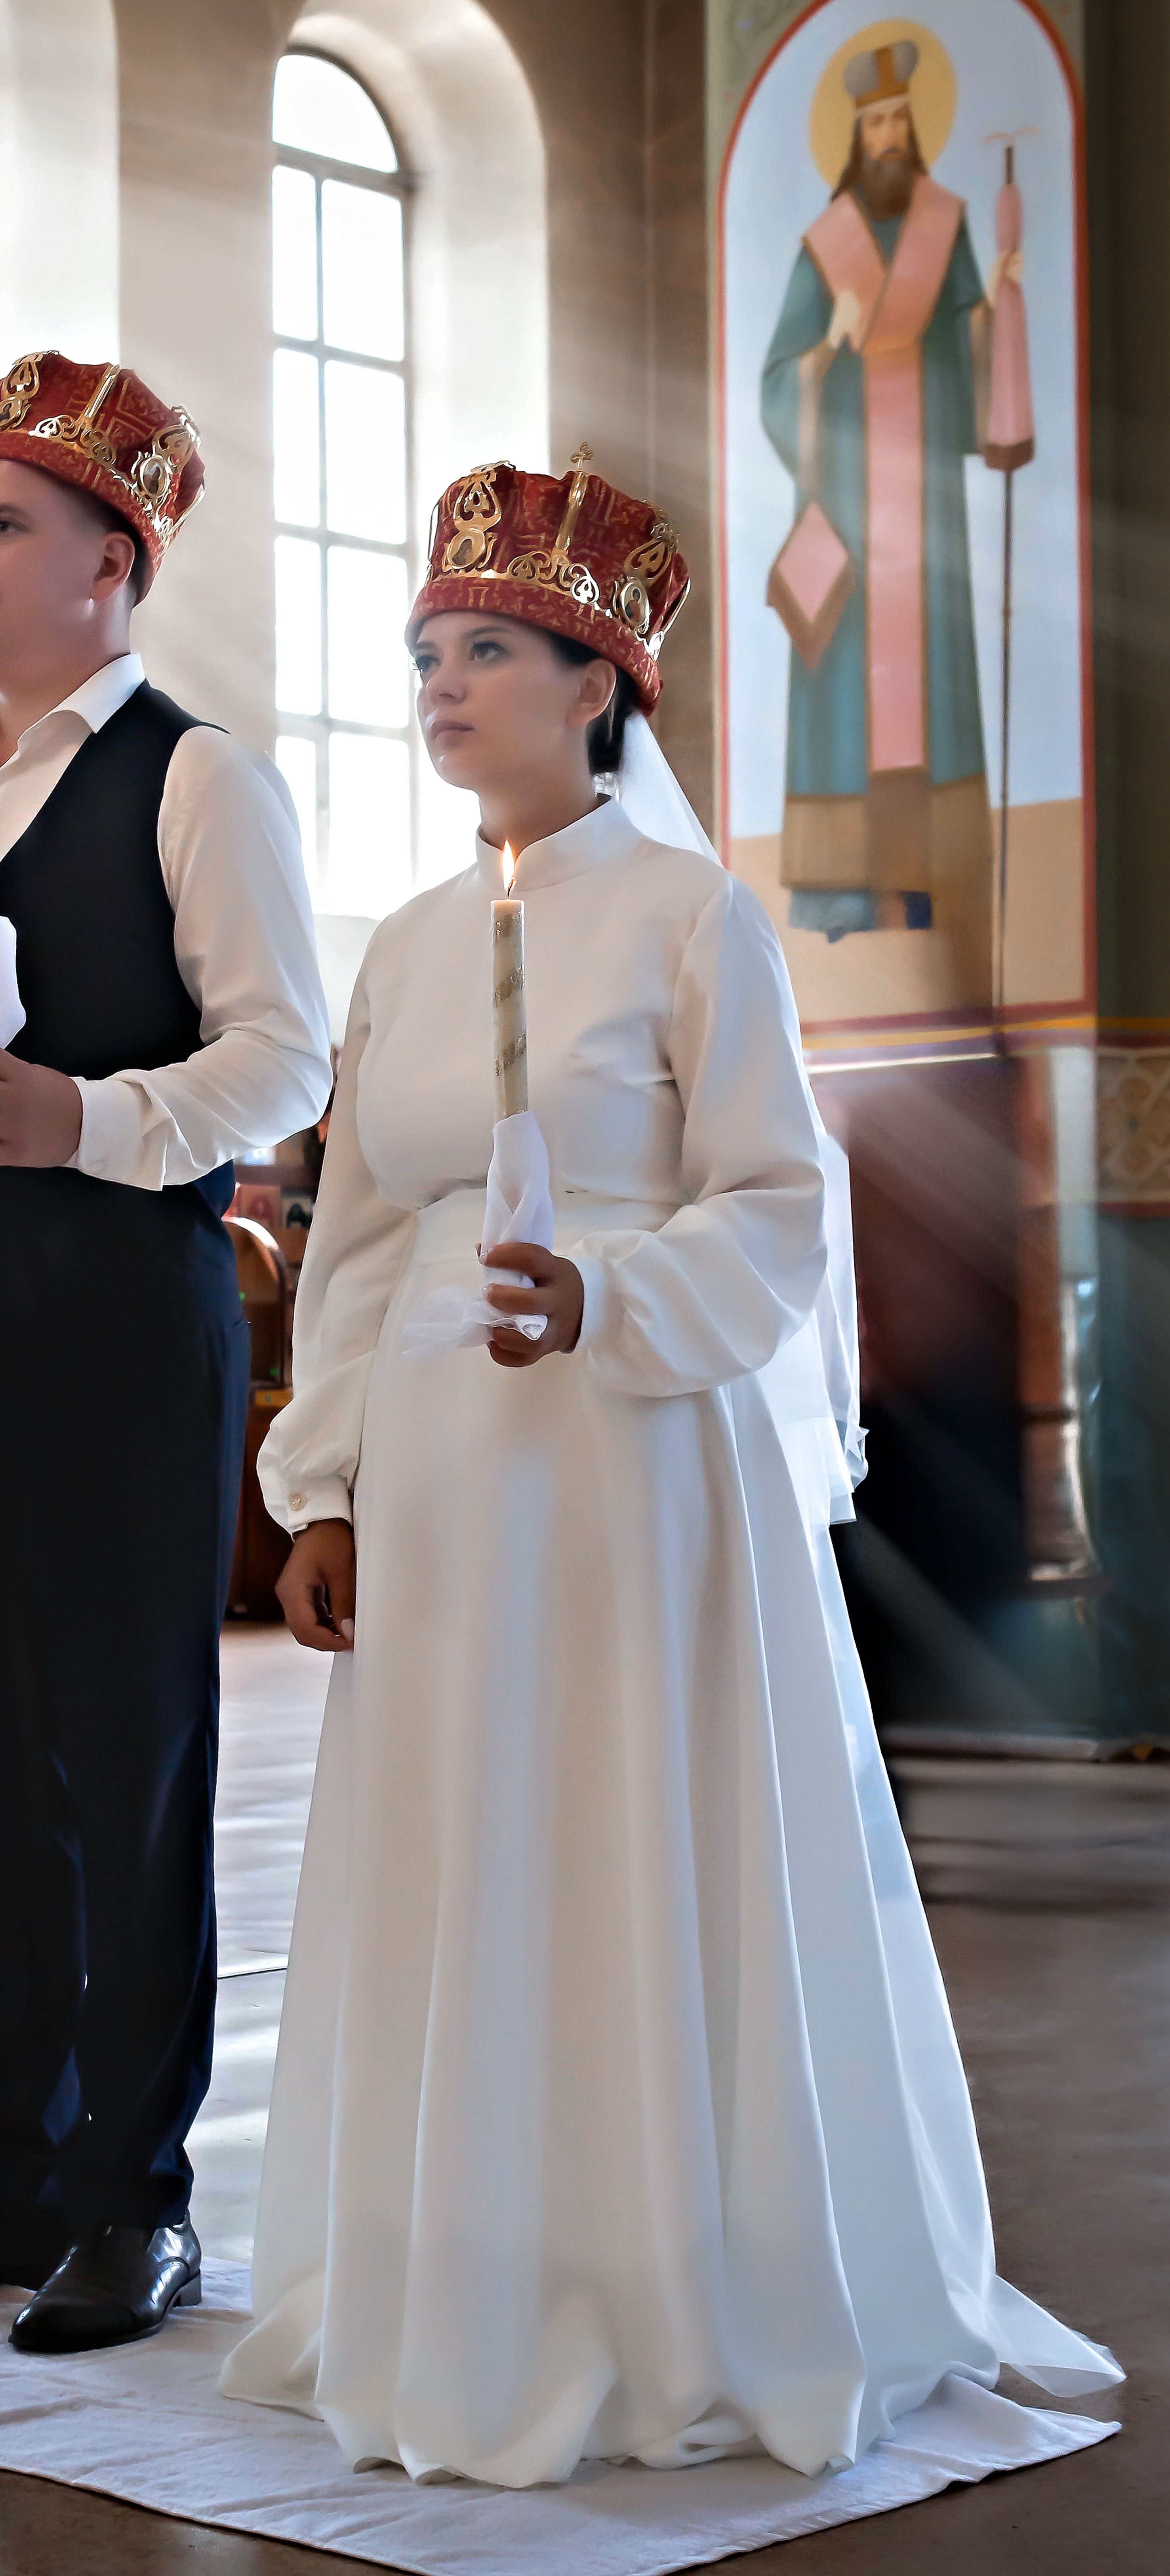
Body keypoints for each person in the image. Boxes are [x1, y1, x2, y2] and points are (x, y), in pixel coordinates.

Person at [219, 452, 1119, 2481]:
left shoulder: (693, 917)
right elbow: (358, 1239)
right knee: (462, 1850)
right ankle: (463, 2276)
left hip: (635, 1470)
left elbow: (779, 1204)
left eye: (486, 652)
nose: (441, 687)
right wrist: (325, 1486)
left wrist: (606, 1303)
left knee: (625, 1840)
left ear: (597, 684)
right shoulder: (405, 945)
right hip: (439, 1478)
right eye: (426, 655)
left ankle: (664, 2286)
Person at [0, 352, 332, 2353]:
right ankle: (3, 2165)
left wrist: (91, 1120)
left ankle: (132, 2195)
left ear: (115, 562)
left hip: (120, 1347)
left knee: (127, 1764)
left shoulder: (199, 780)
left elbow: (286, 1054)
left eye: (2, 525)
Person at [761, 35, 1021, 986]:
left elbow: (965, 342)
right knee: (847, 699)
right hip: (845, 513)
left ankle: (930, 883)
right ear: (854, 138)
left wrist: (992, 317)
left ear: (913, 128)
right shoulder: (822, 247)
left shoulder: (943, 230)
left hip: (924, 514)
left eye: (896, 120)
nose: (886, 137)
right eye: (872, 123)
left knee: (927, 695)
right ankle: (843, 896)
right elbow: (777, 382)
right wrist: (824, 352)